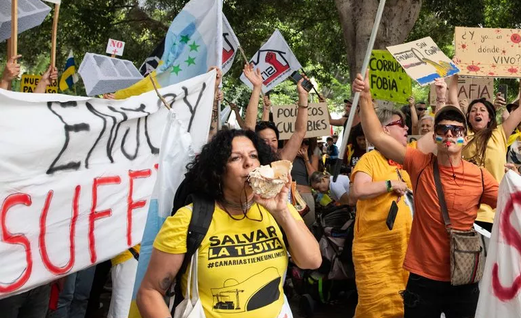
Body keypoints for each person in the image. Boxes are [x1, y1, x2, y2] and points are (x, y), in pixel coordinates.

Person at [352, 73, 498, 318]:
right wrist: (365, 97)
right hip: (422, 280)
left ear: (465, 136)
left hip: (463, 279)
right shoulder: (418, 163)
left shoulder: (481, 176)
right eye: (443, 129)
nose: (450, 134)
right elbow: (377, 136)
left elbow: (514, 205)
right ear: (435, 136)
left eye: (456, 130)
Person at [136, 129, 321, 318]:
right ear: (218, 171)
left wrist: (282, 213)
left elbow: (312, 261)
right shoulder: (188, 220)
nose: (248, 163)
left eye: (253, 156)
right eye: (235, 158)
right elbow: (149, 293)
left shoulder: (278, 209)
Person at [349, 104, 413, 318]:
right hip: (376, 253)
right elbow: (358, 190)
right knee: (375, 309)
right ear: (384, 129)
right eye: (400, 125)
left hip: (405, 251)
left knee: (405, 307)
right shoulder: (370, 159)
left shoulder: (408, 161)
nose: (406, 129)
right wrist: (391, 184)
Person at [449, 75, 521, 232]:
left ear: (489, 117)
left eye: (482, 110)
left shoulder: (499, 133)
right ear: (469, 118)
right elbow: (453, 101)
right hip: (465, 213)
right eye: (473, 110)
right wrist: (456, 74)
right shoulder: (462, 136)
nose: (478, 112)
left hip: (494, 213)